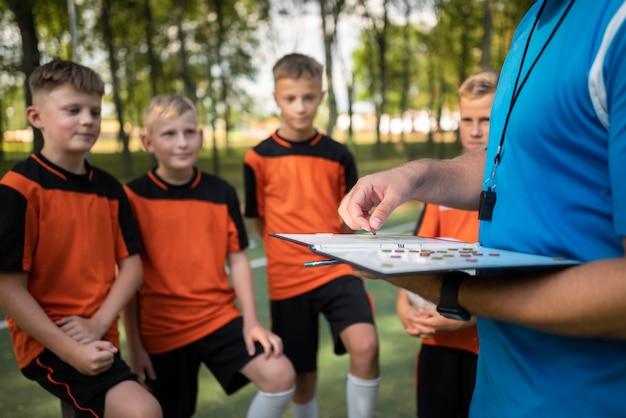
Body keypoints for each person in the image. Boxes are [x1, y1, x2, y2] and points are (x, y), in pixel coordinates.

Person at [339, 1, 626, 416]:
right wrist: (415, 178)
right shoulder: (531, 23)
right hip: (498, 395)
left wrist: (453, 291)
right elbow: (513, 160)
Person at [0, 57, 162, 418]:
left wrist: (97, 324)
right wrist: (71, 351)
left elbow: (132, 268)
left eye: (94, 111)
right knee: (143, 411)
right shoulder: (18, 189)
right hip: (49, 341)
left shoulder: (109, 189)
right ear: (36, 116)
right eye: (72, 110)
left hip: (101, 333)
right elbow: (8, 288)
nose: (88, 120)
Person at [123, 94, 296, 418]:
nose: (182, 142)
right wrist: (135, 348)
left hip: (218, 318)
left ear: (201, 136)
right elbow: (127, 280)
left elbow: (238, 259)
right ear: (148, 141)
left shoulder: (221, 192)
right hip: (162, 330)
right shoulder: (131, 197)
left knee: (280, 373)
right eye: (169, 134)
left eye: (189, 132)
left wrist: (252, 322)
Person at [243, 53, 381, 418]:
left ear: (321, 95)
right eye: (290, 98)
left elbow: (351, 216)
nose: (300, 107)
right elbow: (260, 221)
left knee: (366, 347)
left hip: (335, 268)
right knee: (303, 380)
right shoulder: (256, 158)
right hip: (287, 280)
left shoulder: (339, 155)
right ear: (276, 97)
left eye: (309, 97)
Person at [396, 69, 498, 418]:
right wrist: (404, 303)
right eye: (466, 119)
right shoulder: (442, 188)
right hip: (437, 343)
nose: (474, 129)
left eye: (486, 118)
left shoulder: (514, 185)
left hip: (488, 346)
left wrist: (466, 312)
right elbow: (417, 250)